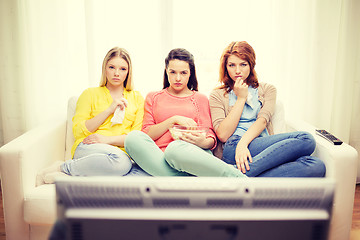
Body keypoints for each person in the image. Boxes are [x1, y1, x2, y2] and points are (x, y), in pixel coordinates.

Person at [209, 41, 326, 177]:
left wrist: (243, 144)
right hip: (233, 148)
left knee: (316, 166)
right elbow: (223, 135)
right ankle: (242, 173)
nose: (237, 71)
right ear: (225, 67)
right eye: (231, 65)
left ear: (251, 65)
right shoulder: (217, 95)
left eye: (243, 64)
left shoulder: (267, 90)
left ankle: (239, 175)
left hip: (261, 146)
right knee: (306, 139)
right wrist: (241, 99)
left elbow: (263, 121)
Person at [125, 48, 246, 177]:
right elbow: (147, 134)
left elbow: (211, 138)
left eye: (183, 73)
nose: (178, 78)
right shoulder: (153, 97)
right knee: (132, 138)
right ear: (166, 71)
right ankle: (184, 177)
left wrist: (202, 142)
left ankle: (235, 176)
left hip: (189, 154)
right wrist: (173, 120)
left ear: (190, 73)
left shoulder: (200, 98)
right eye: (173, 72)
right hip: (160, 159)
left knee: (175, 149)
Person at [37, 47, 148, 186]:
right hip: (88, 147)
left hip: (120, 152)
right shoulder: (89, 94)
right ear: (105, 68)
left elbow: (135, 138)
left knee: (131, 167)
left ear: (128, 72)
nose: (116, 73)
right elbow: (78, 131)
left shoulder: (137, 98)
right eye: (112, 67)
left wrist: (107, 140)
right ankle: (63, 168)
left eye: (122, 69)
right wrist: (109, 110)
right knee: (122, 163)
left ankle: (71, 172)